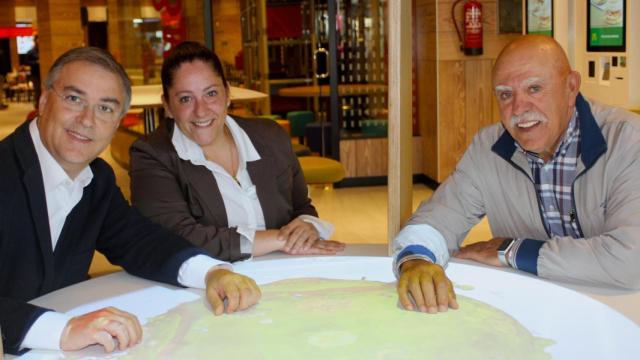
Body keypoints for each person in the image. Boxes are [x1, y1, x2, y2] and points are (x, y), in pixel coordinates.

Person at [0, 47, 261, 355]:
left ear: (118, 122)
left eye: (105, 109)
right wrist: (63, 329)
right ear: (43, 102)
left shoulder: (96, 179)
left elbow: (139, 240)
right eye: (74, 99)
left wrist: (210, 272)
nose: (87, 120)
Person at [393, 34, 640, 314]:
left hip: (621, 314)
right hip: (535, 311)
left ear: (571, 87)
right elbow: (438, 220)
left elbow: (631, 260)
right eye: (506, 94)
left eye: (534, 89)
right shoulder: (489, 148)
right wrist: (415, 259)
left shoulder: (628, 141)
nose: (519, 109)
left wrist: (513, 250)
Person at [129, 41, 345, 261]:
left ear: (227, 94)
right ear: (167, 106)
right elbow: (177, 237)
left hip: (283, 273)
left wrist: (308, 227)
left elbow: (301, 207)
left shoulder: (271, 137)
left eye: (211, 93)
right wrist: (281, 239)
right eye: (185, 98)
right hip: (209, 282)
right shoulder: (152, 155)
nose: (201, 110)